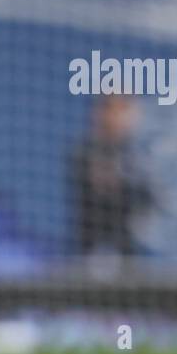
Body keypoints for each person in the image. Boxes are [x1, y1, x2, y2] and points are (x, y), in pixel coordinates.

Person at [70, 92, 152, 256]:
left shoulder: (141, 154)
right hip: (90, 251)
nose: (119, 117)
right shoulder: (84, 152)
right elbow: (100, 187)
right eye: (112, 109)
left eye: (124, 109)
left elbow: (149, 199)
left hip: (130, 255)